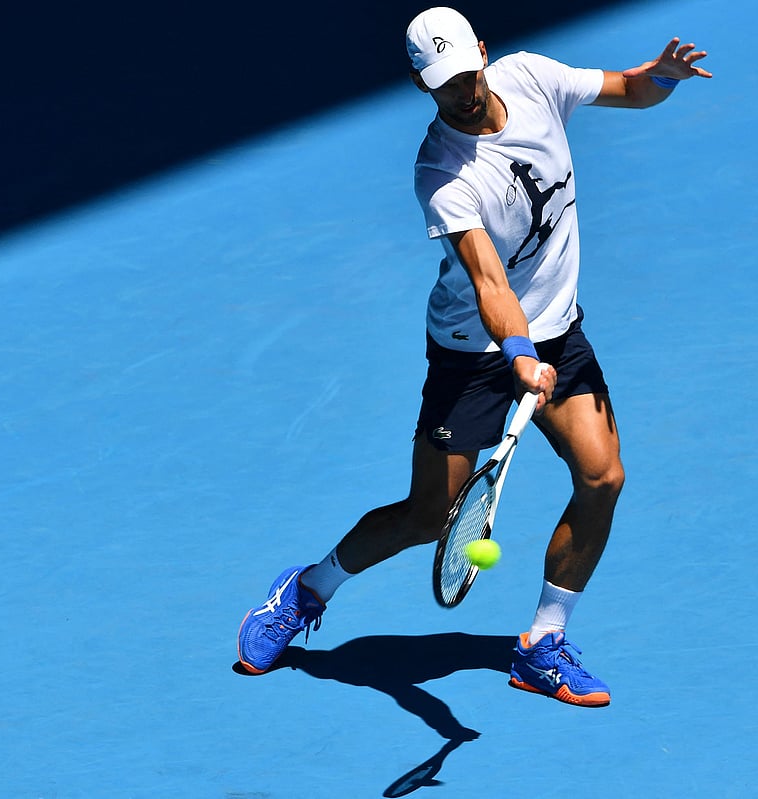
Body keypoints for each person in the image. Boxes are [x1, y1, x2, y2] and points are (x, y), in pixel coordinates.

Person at [237, 6, 712, 707]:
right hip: (473, 354)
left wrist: (660, 79)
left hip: (558, 332)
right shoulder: (443, 172)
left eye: (466, 72)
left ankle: (541, 645)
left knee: (603, 476)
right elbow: (490, 281)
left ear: (483, 53)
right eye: (443, 83)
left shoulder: (534, 78)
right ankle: (306, 589)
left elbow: (628, 89)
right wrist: (518, 354)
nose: (461, 90)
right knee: (427, 515)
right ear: (420, 84)